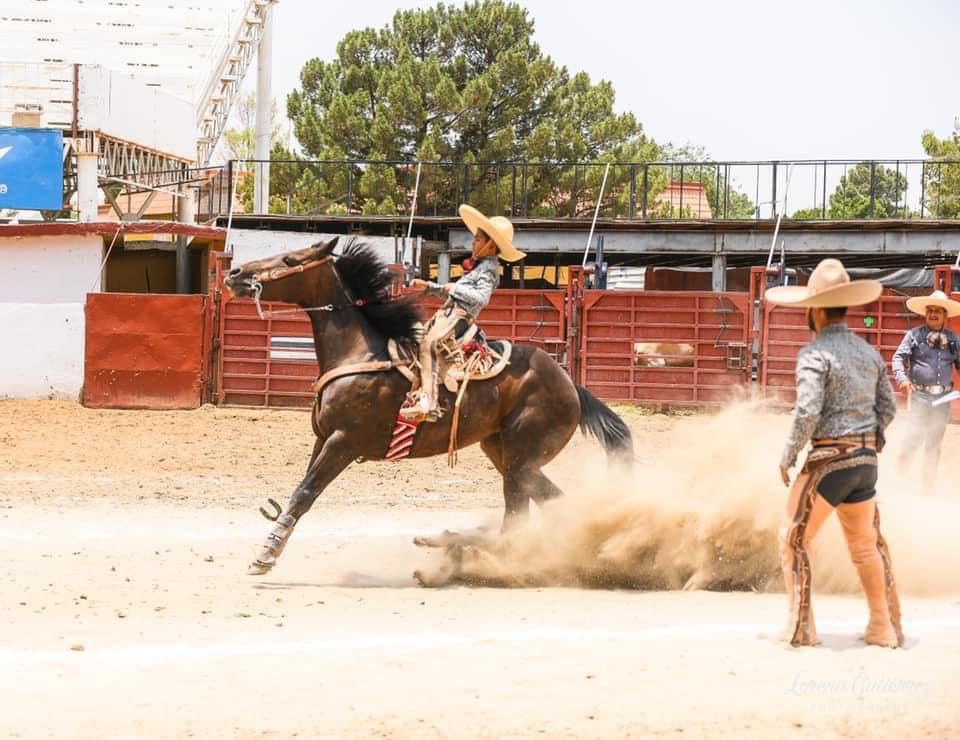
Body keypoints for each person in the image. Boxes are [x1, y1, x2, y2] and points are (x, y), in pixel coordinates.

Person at [767, 258, 902, 648]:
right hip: (865, 464)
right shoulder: (868, 352)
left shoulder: (815, 354)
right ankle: (883, 626)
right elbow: (889, 408)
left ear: (817, 309)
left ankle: (801, 628)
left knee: (792, 538)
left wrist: (788, 454)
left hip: (829, 460)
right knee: (864, 546)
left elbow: (807, 410)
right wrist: (871, 438)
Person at [399, 204, 526, 422]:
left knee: (429, 342)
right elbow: (455, 292)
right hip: (447, 316)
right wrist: (429, 286)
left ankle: (428, 402)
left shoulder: (490, 270)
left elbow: (481, 298)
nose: (473, 242)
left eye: (478, 238)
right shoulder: (480, 268)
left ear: (490, 245)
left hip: (459, 319)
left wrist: (453, 288)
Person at [892, 290, 960, 487]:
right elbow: (898, 358)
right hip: (920, 396)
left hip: (944, 398)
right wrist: (903, 379)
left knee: (934, 443)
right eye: (930, 310)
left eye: (938, 311)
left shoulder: (955, 340)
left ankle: (927, 486)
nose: (933, 314)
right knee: (913, 438)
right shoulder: (914, 336)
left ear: (945, 315)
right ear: (925, 313)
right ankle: (899, 479)